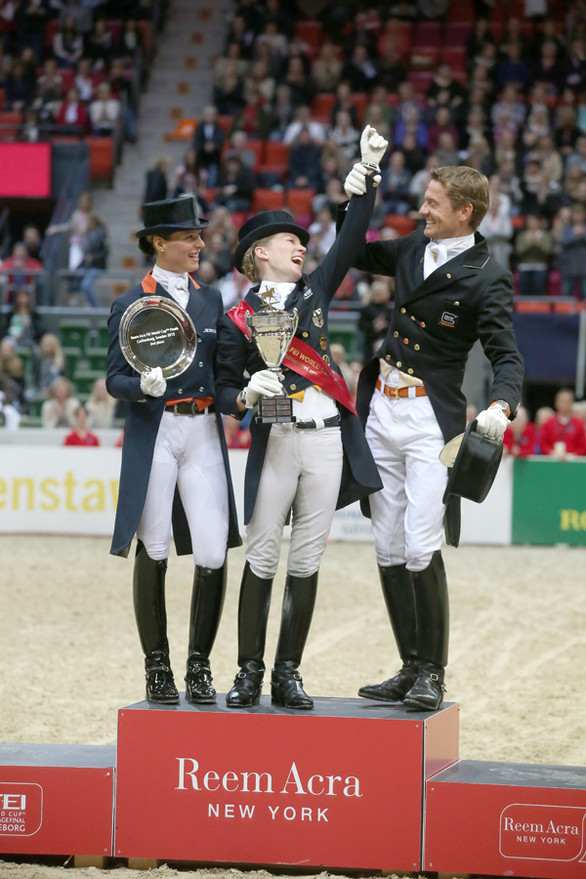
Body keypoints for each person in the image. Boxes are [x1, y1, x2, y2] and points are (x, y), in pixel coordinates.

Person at [214, 126, 387, 711]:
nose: (301, 246)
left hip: (326, 440)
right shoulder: (236, 317)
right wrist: (243, 394)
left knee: (308, 558)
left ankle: (287, 671)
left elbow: (351, 237)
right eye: (290, 240)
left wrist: (363, 182)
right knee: (262, 555)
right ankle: (247, 671)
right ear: (258, 252)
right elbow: (222, 388)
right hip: (276, 439)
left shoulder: (315, 293)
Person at [343, 161, 524, 712]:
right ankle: (407, 666)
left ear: (464, 211)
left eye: (433, 203)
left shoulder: (488, 273)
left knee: (422, 545)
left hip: (429, 421)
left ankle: (432, 674)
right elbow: (352, 248)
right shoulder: (408, 250)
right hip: (382, 413)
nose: (423, 210)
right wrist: (357, 196)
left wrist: (502, 403)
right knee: (387, 544)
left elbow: (505, 352)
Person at [106, 194, 241, 707]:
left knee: (211, 549)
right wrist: (143, 385)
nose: (200, 244)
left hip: (202, 428)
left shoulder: (210, 301)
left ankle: (200, 665)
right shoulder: (129, 304)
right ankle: (157, 667)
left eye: (199, 236)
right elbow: (114, 379)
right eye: (189, 236)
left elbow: (224, 368)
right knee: (156, 545)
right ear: (159, 243)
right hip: (157, 429)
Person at [539, 388, 586, 457]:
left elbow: (582, 446)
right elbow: (543, 444)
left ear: (572, 403)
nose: (564, 404)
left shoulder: (579, 424)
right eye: (562, 401)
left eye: (567, 401)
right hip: (552, 462)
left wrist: (572, 455)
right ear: (556, 403)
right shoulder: (548, 423)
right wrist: (552, 453)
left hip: (572, 463)